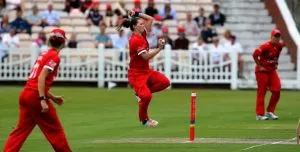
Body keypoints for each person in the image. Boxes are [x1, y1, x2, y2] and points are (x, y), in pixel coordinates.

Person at [3, 28, 72, 152]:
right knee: (55, 130)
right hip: (35, 97)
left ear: (49, 41)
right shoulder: (54, 57)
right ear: (63, 43)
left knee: (20, 131)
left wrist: (52, 97)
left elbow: (36, 80)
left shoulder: (43, 54)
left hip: (25, 95)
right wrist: (42, 99)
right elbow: (41, 77)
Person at [118, 10, 170, 127]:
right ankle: (144, 120)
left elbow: (151, 19)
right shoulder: (135, 40)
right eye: (140, 24)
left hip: (146, 71)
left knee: (165, 82)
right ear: (135, 27)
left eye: (142, 23)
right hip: (136, 74)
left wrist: (136, 13)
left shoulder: (142, 33)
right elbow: (146, 57)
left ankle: (140, 94)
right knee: (146, 96)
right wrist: (159, 48)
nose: (143, 25)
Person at [252, 29, 285, 121]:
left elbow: (277, 55)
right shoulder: (265, 46)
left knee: (277, 89)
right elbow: (255, 54)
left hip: (271, 70)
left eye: (278, 37)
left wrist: (276, 63)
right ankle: (259, 115)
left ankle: (270, 111)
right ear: (271, 37)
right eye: (275, 36)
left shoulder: (279, 46)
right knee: (262, 91)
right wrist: (260, 66)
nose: (277, 38)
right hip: (262, 71)